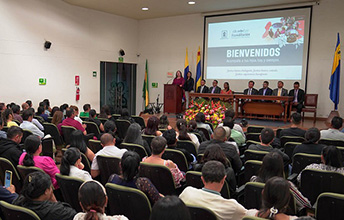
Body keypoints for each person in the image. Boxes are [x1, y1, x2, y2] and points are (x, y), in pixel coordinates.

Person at [180, 161, 251, 219]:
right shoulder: (232, 207)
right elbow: (251, 216)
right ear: (223, 179)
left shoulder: (187, 193)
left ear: (202, 179)